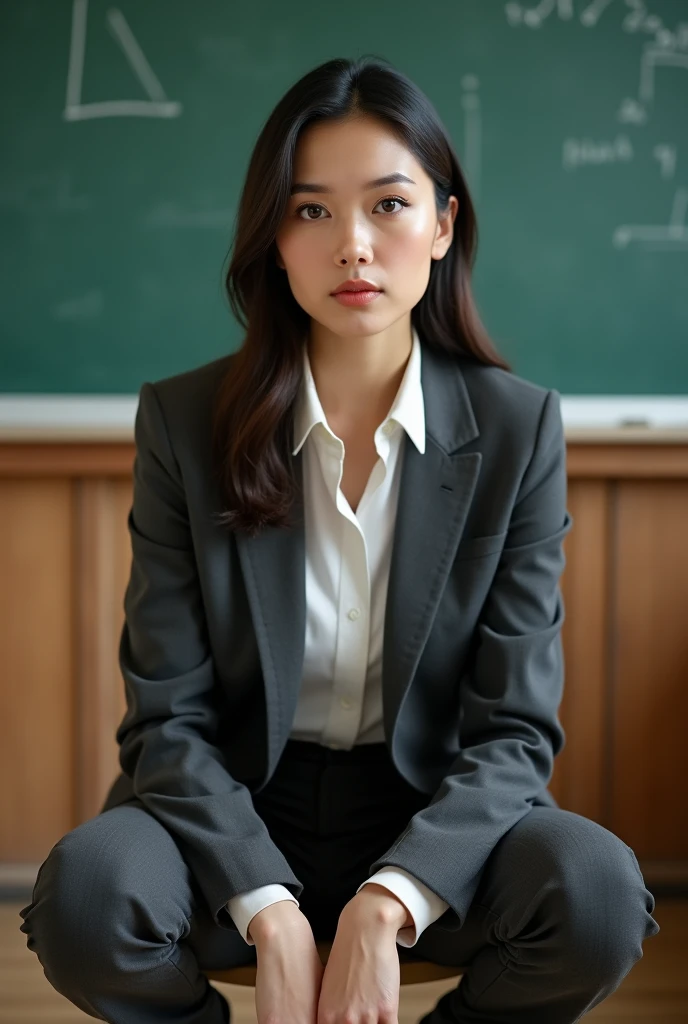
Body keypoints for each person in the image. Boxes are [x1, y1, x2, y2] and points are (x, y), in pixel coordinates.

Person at [19, 54, 659, 1024]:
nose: (353, 246)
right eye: (311, 210)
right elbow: (167, 722)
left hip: (428, 806)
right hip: (235, 801)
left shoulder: (518, 430)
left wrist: (387, 897)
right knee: (85, 894)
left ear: (443, 224)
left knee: (599, 892)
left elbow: (514, 731)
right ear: (273, 237)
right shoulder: (185, 423)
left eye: (389, 205)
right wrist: (269, 911)